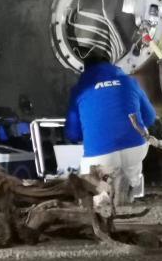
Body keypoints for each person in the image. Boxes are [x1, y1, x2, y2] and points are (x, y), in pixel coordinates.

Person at [65, 51, 156, 203]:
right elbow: (150, 117)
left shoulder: (80, 89)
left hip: (101, 155)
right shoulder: (130, 82)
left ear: (85, 69)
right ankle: (132, 183)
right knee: (138, 139)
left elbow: (72, 133)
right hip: (136, 149)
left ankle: (104, 194)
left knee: (90, 187)